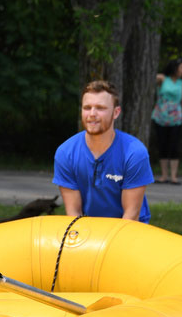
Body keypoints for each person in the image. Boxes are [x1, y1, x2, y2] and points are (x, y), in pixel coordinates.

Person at [53, 80, 153, 222]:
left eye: (100, 108)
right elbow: (73, 213)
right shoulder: (66, 153)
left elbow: (131, 216)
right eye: (87, 107)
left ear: (116, 112)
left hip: (129, 231)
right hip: (88, 232)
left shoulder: (134, 153)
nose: (92, 114)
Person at [151, 58, 182, 184]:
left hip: (176, 118)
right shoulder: (163, 79)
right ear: (175, 68)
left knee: (174, 145)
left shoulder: (181, 83)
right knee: (162, 144)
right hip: (161, 116)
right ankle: (164, 175)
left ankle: (173, 176)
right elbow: (152, 76)